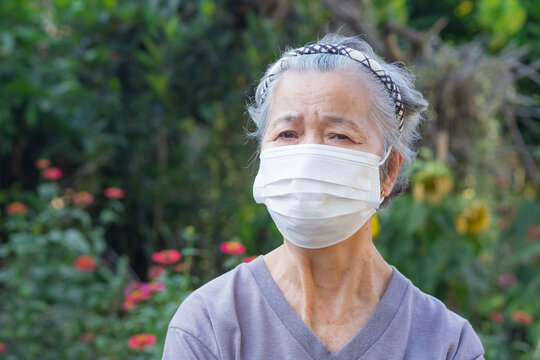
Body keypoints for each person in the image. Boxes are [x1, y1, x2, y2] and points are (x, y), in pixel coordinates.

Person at [162, 33, 485, 359]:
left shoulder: (445, 343)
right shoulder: (210, 326)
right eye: (287, 133)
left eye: (339, 135)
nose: (308, 157)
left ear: (387, 170)